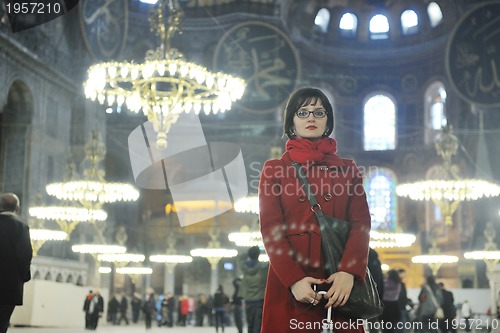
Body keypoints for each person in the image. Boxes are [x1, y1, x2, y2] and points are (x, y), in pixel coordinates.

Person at [258, 87, 371, 333]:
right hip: (291, 284)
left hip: (338, 286)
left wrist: (349, 273)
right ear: (292, 122)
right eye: (303, 112)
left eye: (319, 112)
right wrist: (293, 280)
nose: (311, 118)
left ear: (327, 121)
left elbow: (360, 225)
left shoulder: (348, 169)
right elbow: (270, 229)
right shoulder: (274, 169)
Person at [0, 193, 33, 333]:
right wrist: (24, 277)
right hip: (9, 286)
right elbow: (25, 255)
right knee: (2, 322)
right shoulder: (21, 227)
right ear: (17, 208)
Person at [238, 246, 268, 333]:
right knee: (258, 325)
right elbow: (273, 261)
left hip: (248, 301)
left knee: (250, 325)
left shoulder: (244, 267)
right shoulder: (263, 268)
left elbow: (240, 258)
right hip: (259, 300)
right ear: (258, 255)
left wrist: (248, 253)